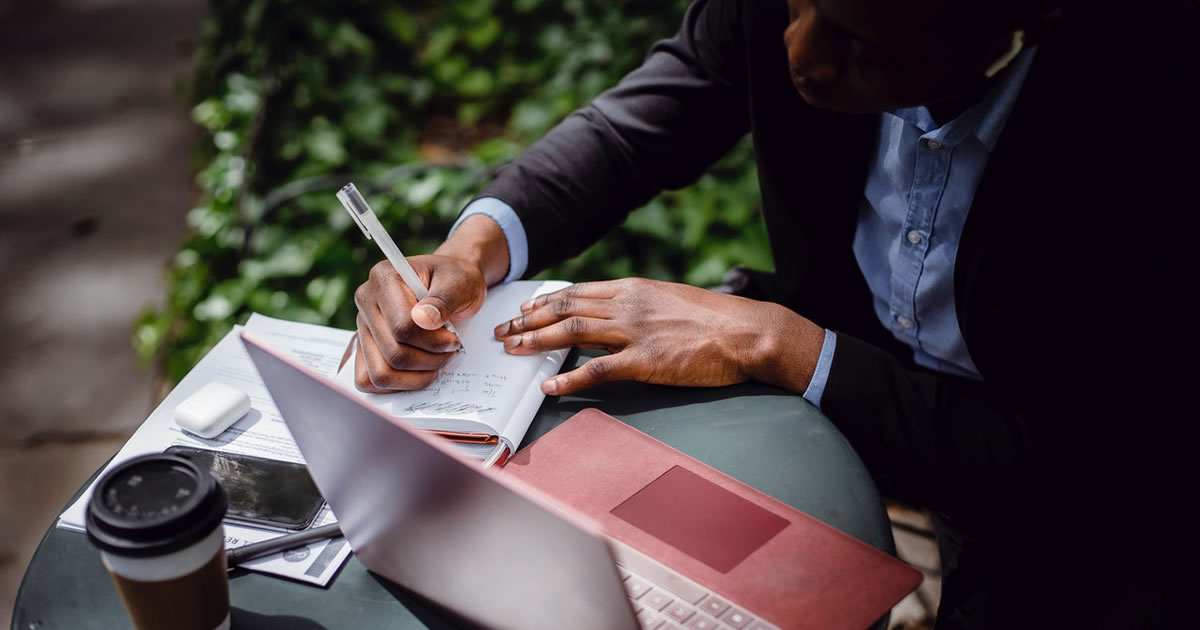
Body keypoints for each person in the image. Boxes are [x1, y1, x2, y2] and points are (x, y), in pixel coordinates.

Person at [352, 0, 1197, 627]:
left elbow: (1089, 460)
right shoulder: (808, 19)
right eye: (795, 4)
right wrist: (473, 252)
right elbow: (642, 124)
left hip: (1073, 504)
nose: (800, 56)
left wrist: (782, 345)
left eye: (859, 41)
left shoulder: (1145, 120)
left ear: (1018, 25)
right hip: (845, 392)